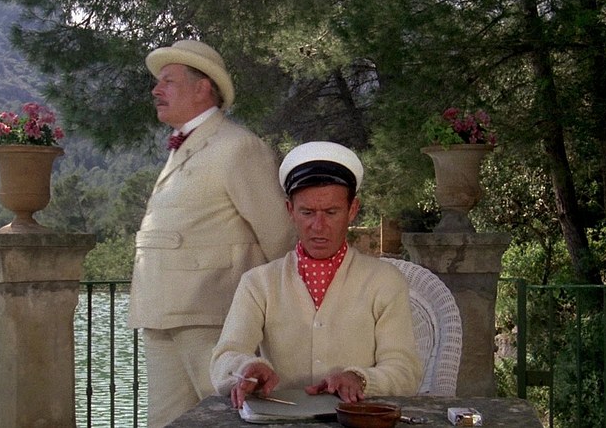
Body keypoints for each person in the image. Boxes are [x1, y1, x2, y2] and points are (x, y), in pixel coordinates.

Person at [127, 39, 295, 427]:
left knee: (230, 417)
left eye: (168, 81)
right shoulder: (185, 147)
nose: (156, 89)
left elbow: (280, 234)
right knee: (165, 421)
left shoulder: (238, 147)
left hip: (212, 315)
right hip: (160, 314)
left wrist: (283, 309)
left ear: (203, 87)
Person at [210, 141, 423, 409]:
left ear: (352, 210)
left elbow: (405, 370)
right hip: (280, 422)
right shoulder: (258, 283)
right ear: (290, 210)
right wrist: (246, 368)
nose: (318, 226)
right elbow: (225, 356)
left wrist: (360, 379)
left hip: (357, 421)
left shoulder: (385, 281)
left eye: (331, 212)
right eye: (307, 212)